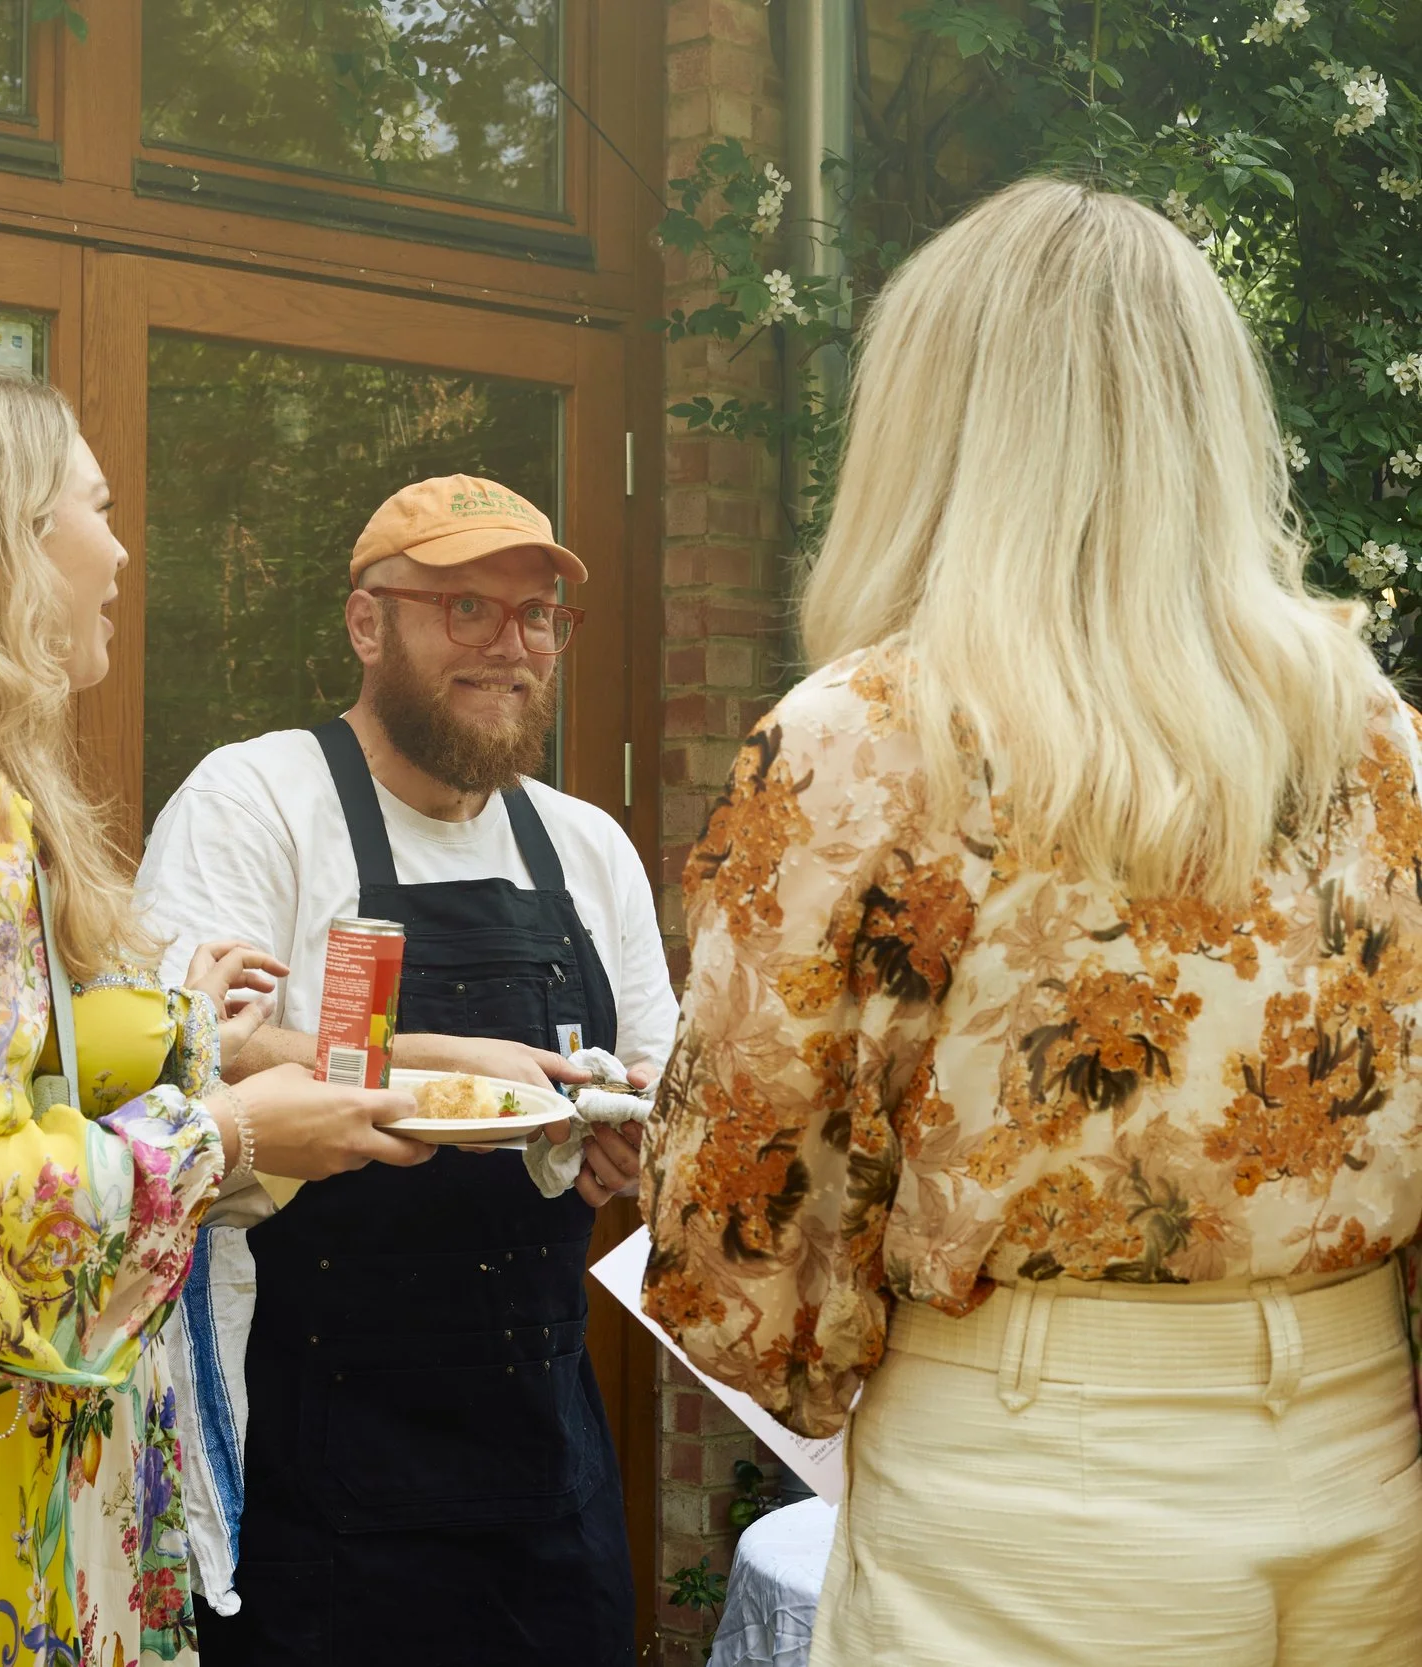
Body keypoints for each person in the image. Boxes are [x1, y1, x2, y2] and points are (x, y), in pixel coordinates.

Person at [642, 177, 1422, 1667]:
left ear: (934, 422)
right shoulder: (1380, 737)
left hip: (1034, 1476)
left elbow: (735, 1228)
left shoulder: (870, 736)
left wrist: (841, 1357)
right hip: (1355, 1448)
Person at [0, 364, 436, 1667]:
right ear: (6, 544)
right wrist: (224, 1131)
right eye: (95, 506)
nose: (120, 547)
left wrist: (164, 1028)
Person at [137, 475, 676, 1666]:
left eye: (536, 615)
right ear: (367, 622)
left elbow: (653, 1074)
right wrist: (428, 1061)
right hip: (308, 1451)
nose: (511, 646)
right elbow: (175, 1051)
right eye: (465, 608)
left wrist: (632, 1137)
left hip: (540, 1454)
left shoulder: (587, 846)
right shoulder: (257, 798)